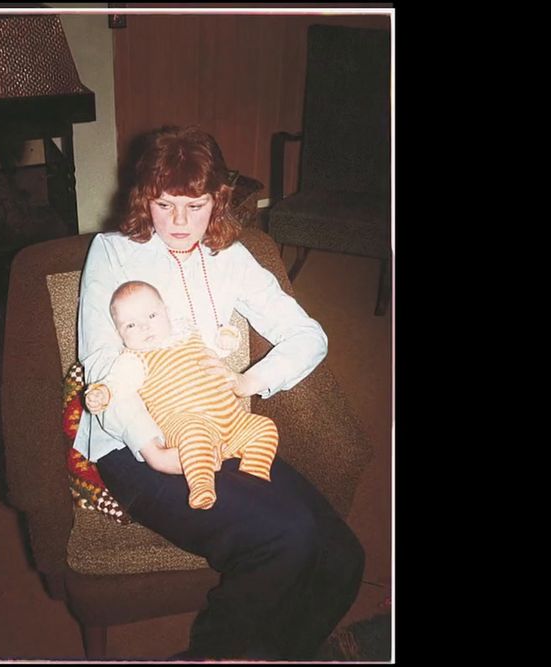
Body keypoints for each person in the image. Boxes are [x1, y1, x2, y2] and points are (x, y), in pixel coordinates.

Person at [72, 125, 364, 659]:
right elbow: (102, 361)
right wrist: (153, 451)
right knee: (288, 533)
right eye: (165, 205)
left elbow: (309, 335)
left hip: (216, 427)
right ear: (145, 199)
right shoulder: (111, 252)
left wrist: (249, 381)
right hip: (135, 449)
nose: (180, 223)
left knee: (345, 556)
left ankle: (273, 653)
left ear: (217, 201)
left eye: (196, 205)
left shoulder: (231, 258)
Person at [84, 280, 274, 510]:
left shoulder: (188, 333)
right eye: (131, 325)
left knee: (264, 427)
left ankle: (254, 476)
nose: (145, 327)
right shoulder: (134, 359)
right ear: (119, 333)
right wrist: (104, 392)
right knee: (194, 437)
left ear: (167, 312)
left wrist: (226, 339)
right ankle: (202, 484)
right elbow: (119, 382)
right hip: (185, 423)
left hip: (232, 419)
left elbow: (215, 349)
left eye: (152, 316)